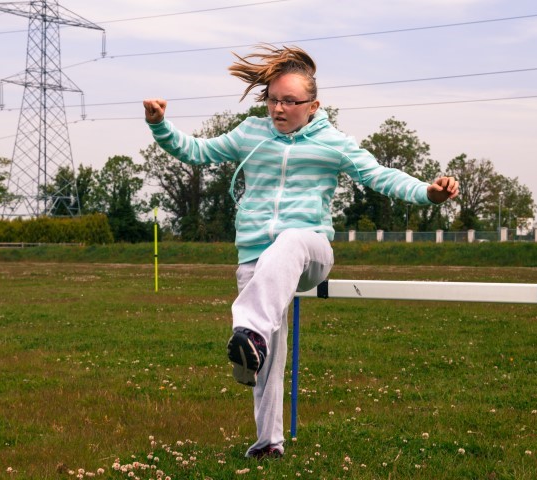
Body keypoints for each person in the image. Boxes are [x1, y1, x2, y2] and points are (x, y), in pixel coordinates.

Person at [143, 44, 459, 460]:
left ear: (313, 106)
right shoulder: (250, 134)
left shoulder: (333, 143)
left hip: (310, 252)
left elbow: (381, 176)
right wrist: (160, 125)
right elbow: (197, 151)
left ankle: (249, 331)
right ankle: (267, 442)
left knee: (290, 241)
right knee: (266, 360)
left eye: (290, 101)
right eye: (273, 99)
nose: (279, 108)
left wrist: (428, 193)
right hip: (256, 257)